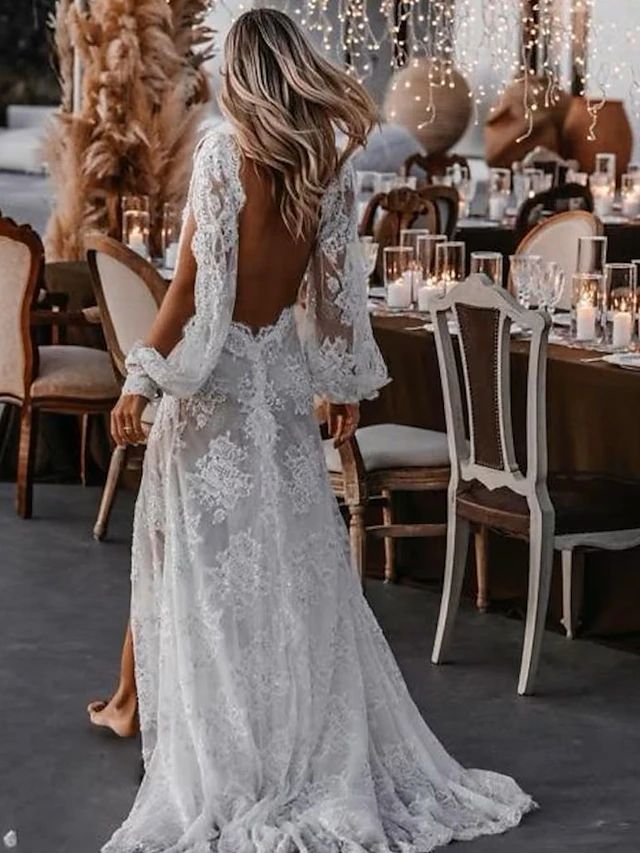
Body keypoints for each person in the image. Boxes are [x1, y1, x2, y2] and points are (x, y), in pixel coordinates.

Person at [101, 9, 534, 851]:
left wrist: (139, 376)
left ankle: (227, 750)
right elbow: (334, 305)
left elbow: (190, 290)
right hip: (280, 388)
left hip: (219, 390)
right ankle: (286, 739)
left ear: (244, 76)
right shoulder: (324, 170)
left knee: (212, 580)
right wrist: (341, 391)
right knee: (293, 575)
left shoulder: (226, 155)